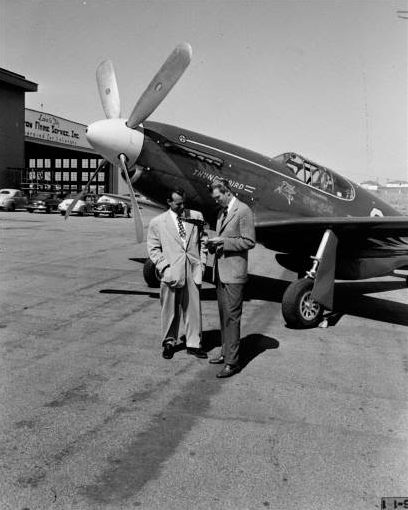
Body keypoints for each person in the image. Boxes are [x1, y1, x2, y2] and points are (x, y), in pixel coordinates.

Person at [147, 187, 208, 360]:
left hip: (193, 270)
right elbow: (153, 249)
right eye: (178, 204)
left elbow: (203, 240)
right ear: (169, 202)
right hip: (171, 272)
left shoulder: (196, 217)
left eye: (184, 203)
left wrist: (202, 264)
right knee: (169, 311)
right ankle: (169, 342)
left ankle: (194, 344)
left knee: (194, 310)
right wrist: (165, 268)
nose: (182, 207)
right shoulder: (157, 222)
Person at [207, 179, 256, 378]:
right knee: (223, 317)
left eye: (218, 197)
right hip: (220, 272)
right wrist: (212, 244)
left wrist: (223, 242)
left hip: (234, 274)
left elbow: (249, 241)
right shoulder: (221, 212)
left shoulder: (243, 211)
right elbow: (224, 239)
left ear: (227, 192)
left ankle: (232, 363)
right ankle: (225, 352)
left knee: (232, 318)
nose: (216, 201)